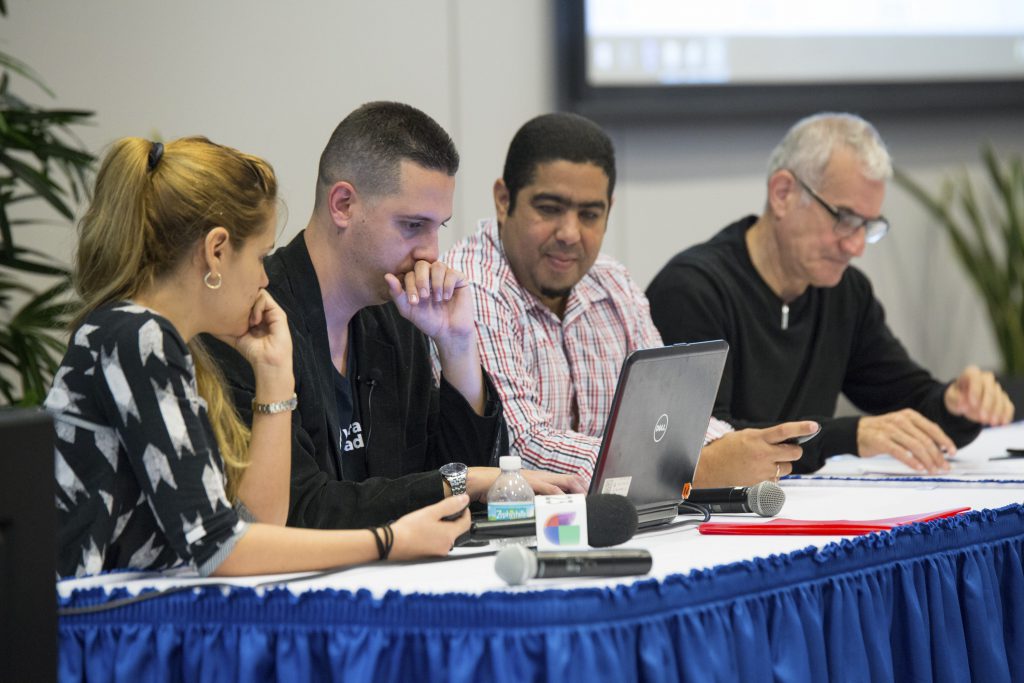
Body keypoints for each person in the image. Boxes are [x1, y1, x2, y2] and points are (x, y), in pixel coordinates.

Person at [47, 136, 478, 578]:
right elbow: (221, 549)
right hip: (90, 623)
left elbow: (258, 524)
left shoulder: (152, 336)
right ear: (216, 252)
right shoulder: (136, 335)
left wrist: (274, 374)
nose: (262, 279)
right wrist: (389, 542)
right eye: (259, 257)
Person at [207, 102, 581, 531]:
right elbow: (301, 507)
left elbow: (458, 493)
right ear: (343, 204)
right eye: (411, 226)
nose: (431, 252)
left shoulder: (398, 315)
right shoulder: (249, 320)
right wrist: (462, 482)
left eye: (437, 227)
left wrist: (457, 346)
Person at [444, 112, 818, 488]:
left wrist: (733, 444)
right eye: (549, 209)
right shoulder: (469, 287)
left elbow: (668, 413)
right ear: (503, 200)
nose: (570, 233)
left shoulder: (611, 282)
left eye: (590, 214)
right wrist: (696, 468)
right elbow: (516, 450)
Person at [646, 112, 1015, 475]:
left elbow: (912, 410)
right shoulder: (692, 291)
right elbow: (706, 448)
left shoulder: (845, 293)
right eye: (844, 219)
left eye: (868, 226)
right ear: (783, 193)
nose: (856, 246)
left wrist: (956, 405)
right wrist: (846, 435)